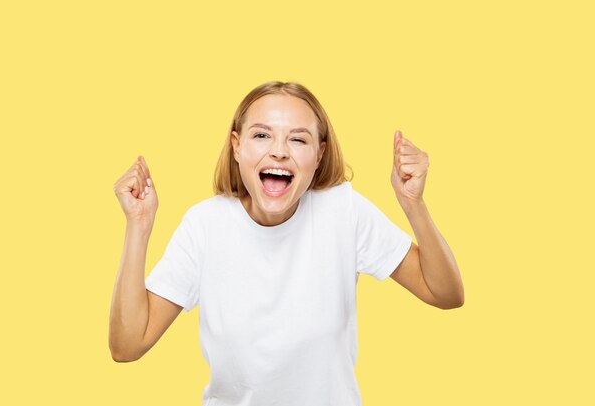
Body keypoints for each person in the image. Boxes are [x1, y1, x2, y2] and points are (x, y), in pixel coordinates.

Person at [109, 81, 464, 406]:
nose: (279, 152)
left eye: (297, 139)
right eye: (262, 136)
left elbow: (445, 294)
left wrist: (413, 205)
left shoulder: (344, 210)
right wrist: (138, 226)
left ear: (319, 154)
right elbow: (127, 345)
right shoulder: (205, 225)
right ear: (237, 147)